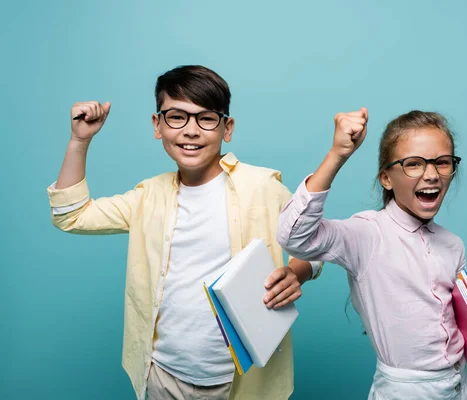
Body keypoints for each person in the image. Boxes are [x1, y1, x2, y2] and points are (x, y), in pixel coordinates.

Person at [47, 65, 321, 400]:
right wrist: (80, 140)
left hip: (240, 382)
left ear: (227, 127)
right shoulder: (147, 196)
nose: (191, 130)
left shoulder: (261, 187)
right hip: (162, 376)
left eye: (206, 118)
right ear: (157, 125)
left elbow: (314, 245)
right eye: (177, 116)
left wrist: (297, 272)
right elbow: (71, 215)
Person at [277, 108, 467, 399]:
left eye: (442, 163)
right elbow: (294, 236)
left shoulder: (453, 245)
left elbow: (460, 323)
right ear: (386, 178)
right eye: (414, 164)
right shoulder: (367, 234)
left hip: (462, 386)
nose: (432, 175)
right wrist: (337, 154)